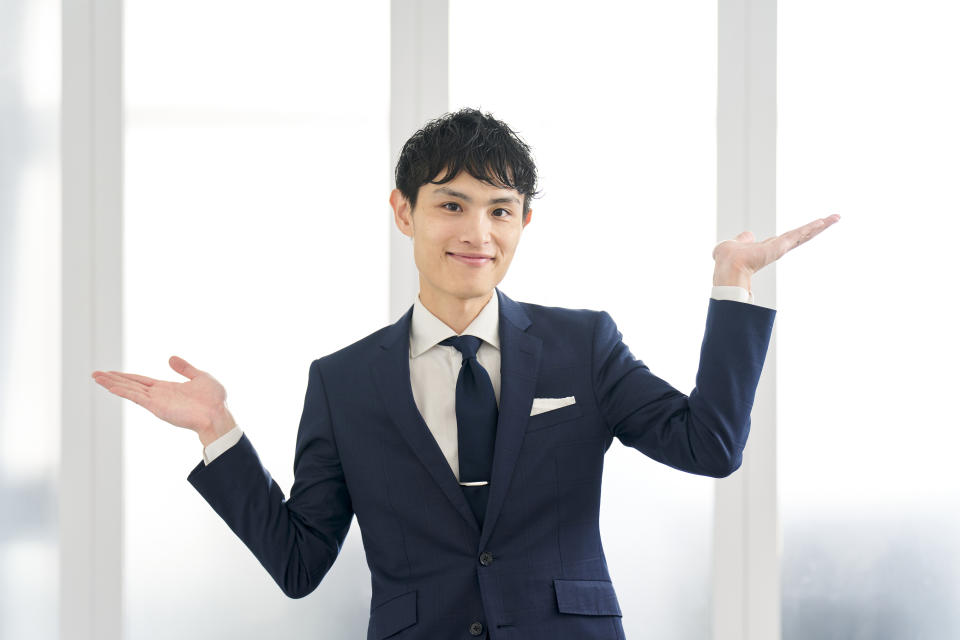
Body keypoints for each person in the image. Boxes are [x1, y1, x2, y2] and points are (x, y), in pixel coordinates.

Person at [91, 108, 839, 639]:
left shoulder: (583, 344)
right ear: (404, 212)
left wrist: (732, 283)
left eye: (500, 211)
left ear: (523, 223)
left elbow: (710, 447)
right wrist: (218, 433)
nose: (478, 233)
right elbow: (298, 561)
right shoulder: (343, 383)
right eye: (452, 205)